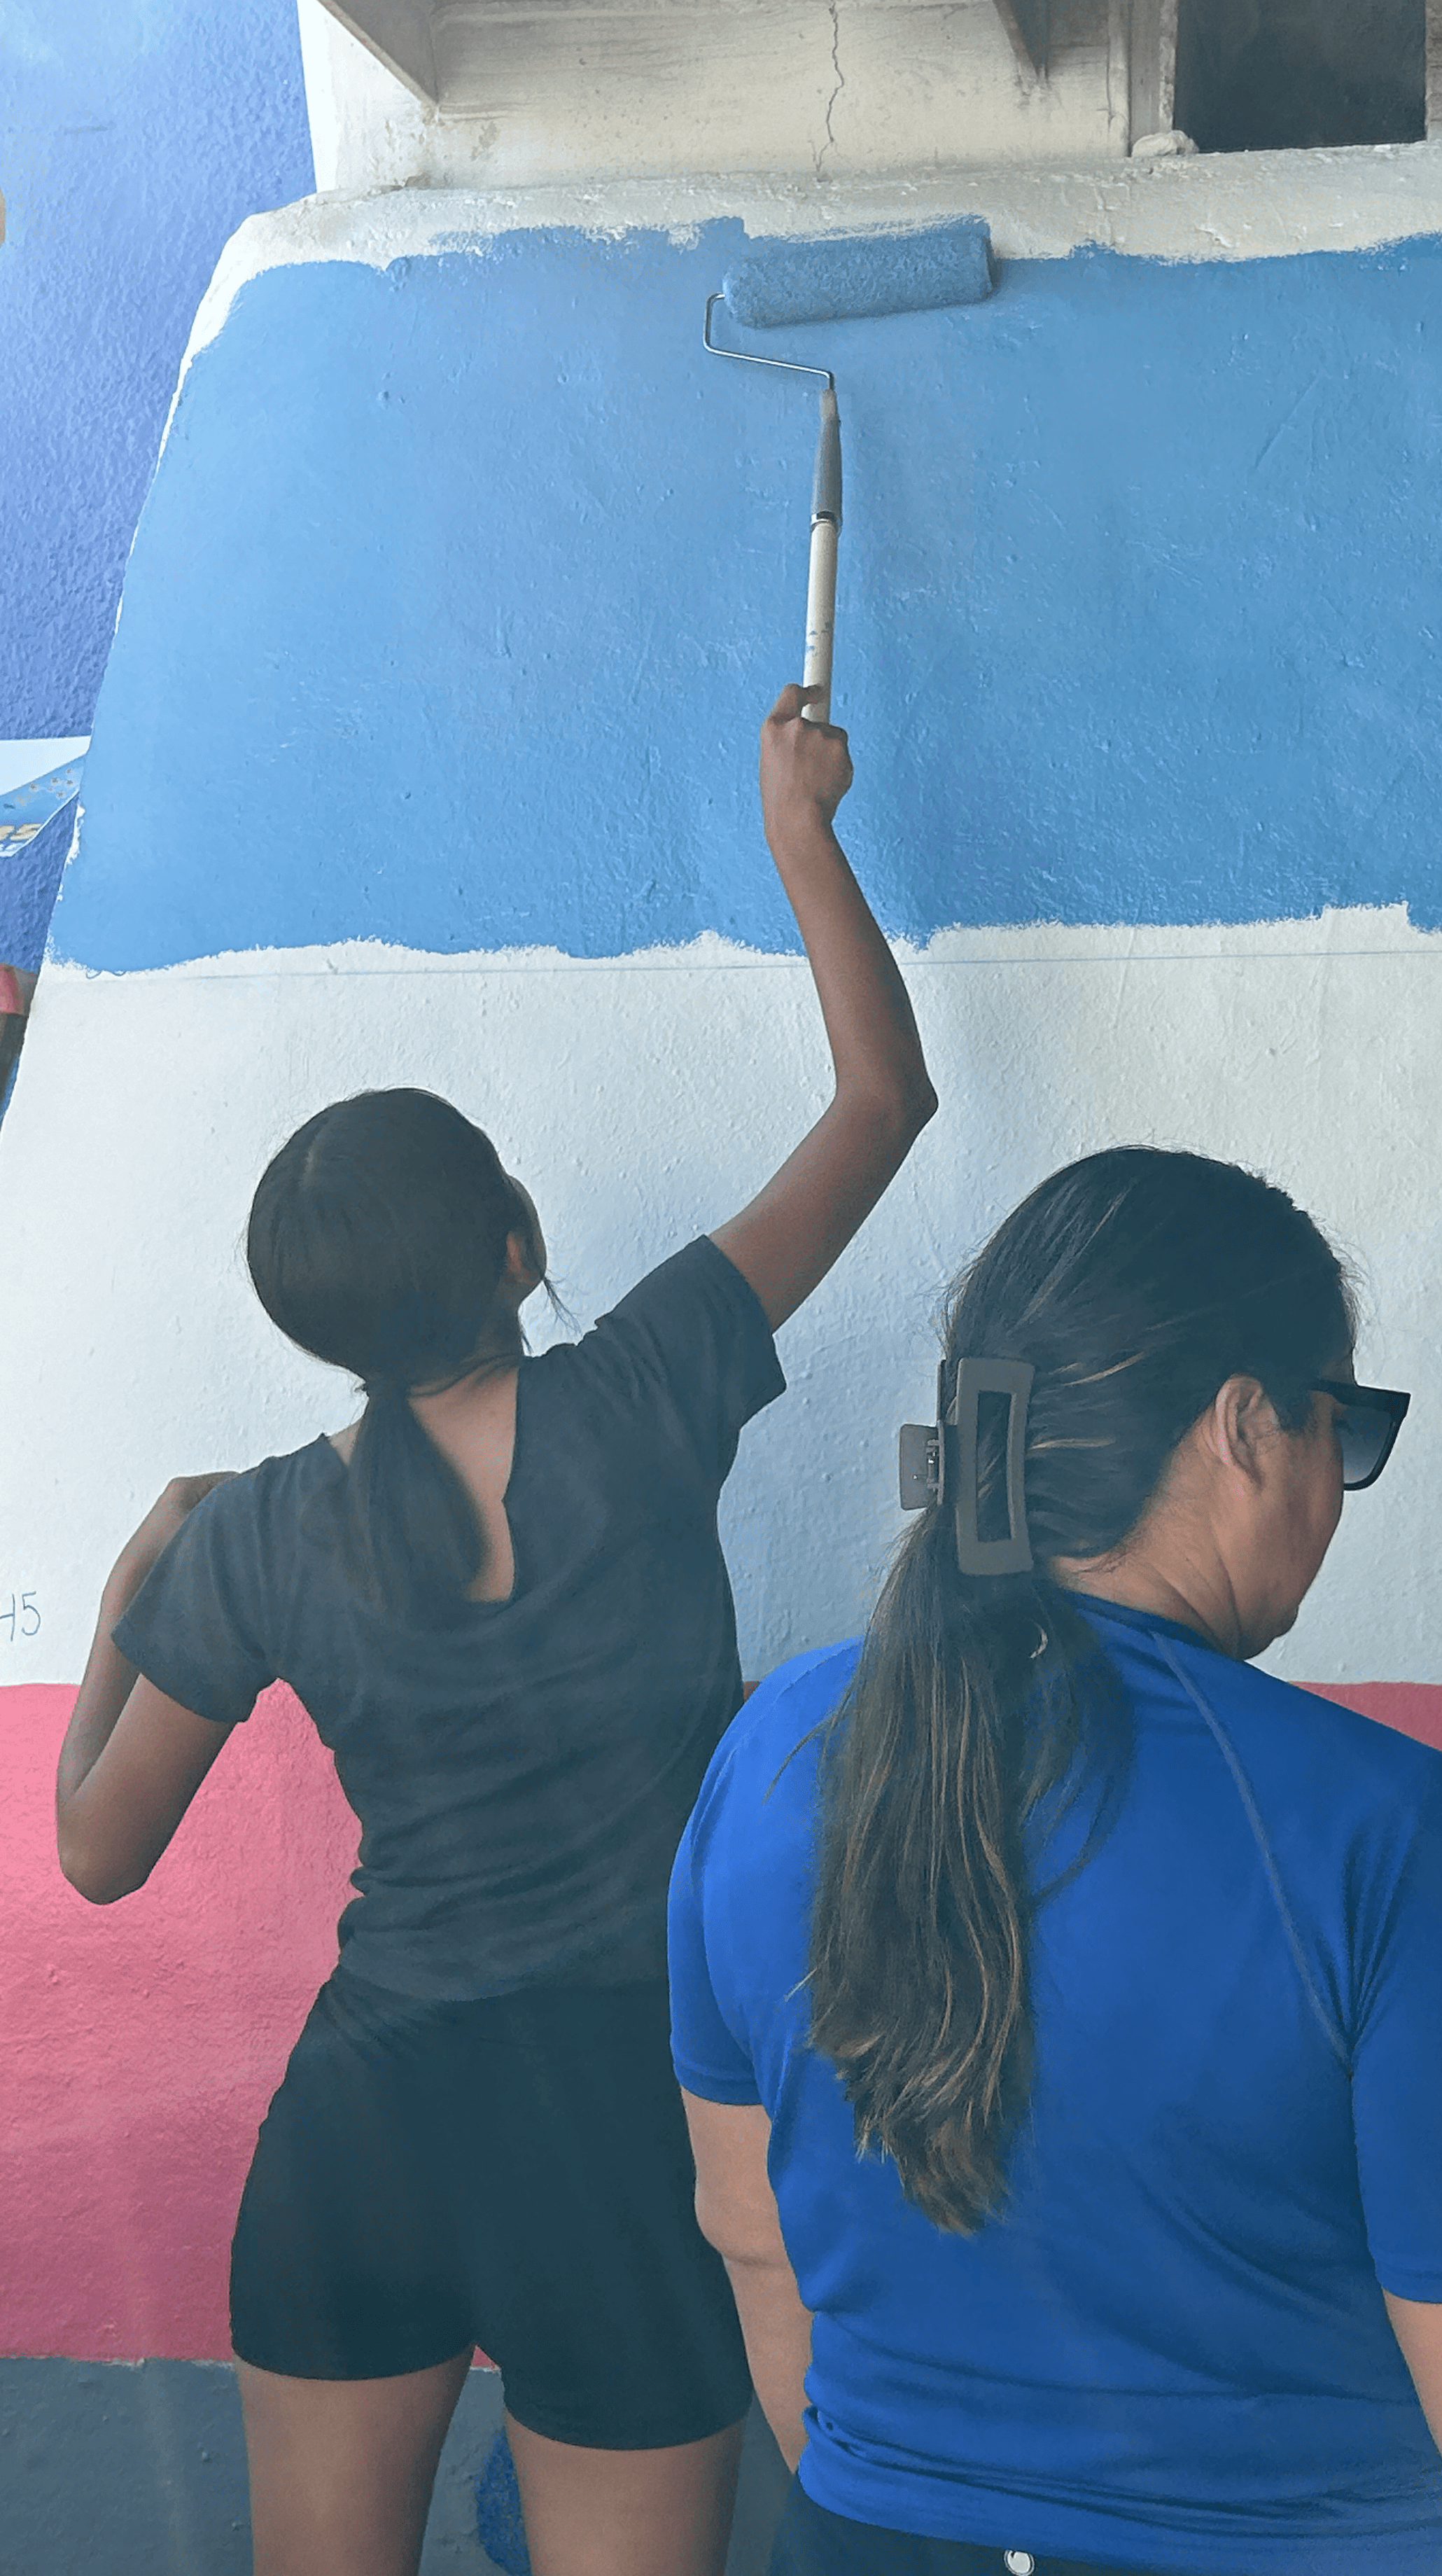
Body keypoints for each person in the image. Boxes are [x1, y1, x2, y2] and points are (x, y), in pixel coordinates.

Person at [55, 684, 935, 2576]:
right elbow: (884, 1102)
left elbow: (94, 1855)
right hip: (618, 2133)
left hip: (361, 2121)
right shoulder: (650, 1391)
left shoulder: (263, 1535)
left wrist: (132, 1598)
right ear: (517, 1246)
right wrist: (800, 835)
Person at [669, 1148, 1442, 2576]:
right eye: (1346, 1427)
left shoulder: (770, 1755)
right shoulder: (1384, 1836)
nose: (1341, 1483)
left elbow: (753, 2235)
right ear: (1244, 1430)